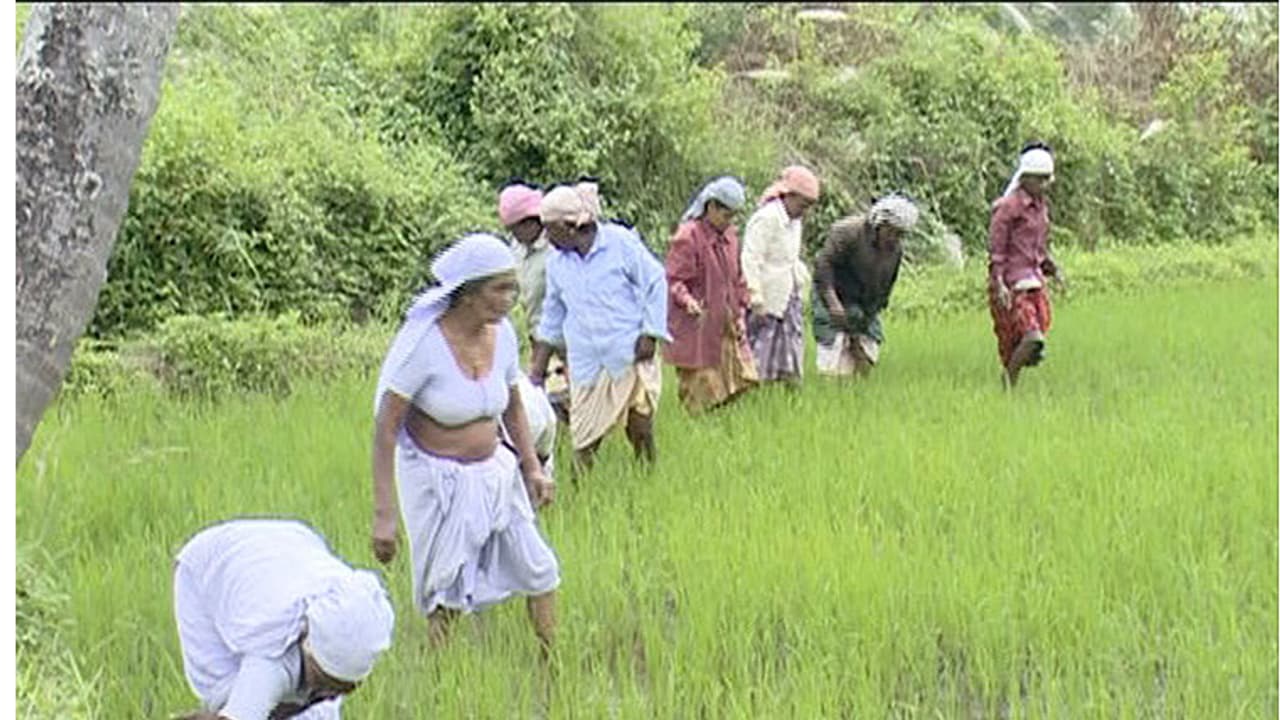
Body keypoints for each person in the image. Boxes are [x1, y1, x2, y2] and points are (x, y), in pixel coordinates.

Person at [370, 233, 559, 652]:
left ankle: (553, 662)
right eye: (500, 288)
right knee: (447, 587)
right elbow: (386, 427)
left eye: (513, 286)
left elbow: (511, 405)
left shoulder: (503, 334)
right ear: (469, 295)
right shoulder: (424, 344)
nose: (511, 297)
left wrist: (531, 467)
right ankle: (440, 675)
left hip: (496, 473)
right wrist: (385, 514)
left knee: (539, 569)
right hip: (438, 480)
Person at [172, 518, 395, 720]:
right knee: (230, 696)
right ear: (307, 645)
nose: (327, 695)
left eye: (343, 689)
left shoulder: (356, 610)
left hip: (292, 546)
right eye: (322, 682)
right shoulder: (270, 656)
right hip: (207, 570)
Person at [529, 181, 670, 472]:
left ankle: (649, 477)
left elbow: (655, 281)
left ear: (569, 227)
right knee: (584, 440)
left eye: (550, 228)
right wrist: (536, 373)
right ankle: (583, 497)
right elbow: (552, 316)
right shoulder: (557, 263)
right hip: (588, 362)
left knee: (640, 426)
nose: (545, 237)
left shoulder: (619, 243)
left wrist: (651, 333)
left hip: (629, 352)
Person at [663, 176, 758, 414]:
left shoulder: (730, 237)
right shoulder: (688, 236)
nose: (730, 222)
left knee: (736, 380)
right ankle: (699, 431)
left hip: (725, 321)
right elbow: (674, 280)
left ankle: (724, 429)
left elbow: (736, 276)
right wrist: (687, 300)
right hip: (697, 324)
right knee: (701, 389)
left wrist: (744, 299)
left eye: (734, 217)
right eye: (726, 215)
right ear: (711, 207)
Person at [813, 193, 920, 377]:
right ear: (879, 224)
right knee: (832, 357)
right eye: (891, 231)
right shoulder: (847, 233)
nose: (894, 238)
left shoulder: (894, 252)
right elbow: (824, 266)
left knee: (866, 356)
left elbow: (884, 289)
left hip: (864, 303)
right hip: (834, 292)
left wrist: (862, 327)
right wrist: (832, 302)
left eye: (900, 234)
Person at [987, 145, 1064, 388]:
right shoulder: (1008, 208)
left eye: (1046, 180)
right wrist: (998, 282)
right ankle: (1009, 379)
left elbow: (1038, 247)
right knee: (1032, 337)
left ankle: (1012, 377)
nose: (1043, 185)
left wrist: (1053, 269)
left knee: (1035, 338)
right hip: (1014, 282)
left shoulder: (1041, 207)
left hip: (1034, 279)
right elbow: (997, 250)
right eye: (1039, 179)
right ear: (1025, 177)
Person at [498, 182, 571, 424]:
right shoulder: (517, 250)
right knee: (548, 401)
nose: (513, 235)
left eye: (515, 228)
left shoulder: (556, 247)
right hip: (538, 337)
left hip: (567, 338)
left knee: (567, 399)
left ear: (531, 222)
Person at [740, 165, 820, 385]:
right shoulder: (766, 219)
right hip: (766, 295)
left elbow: (790, 257)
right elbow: (751, 258)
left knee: (790, 347)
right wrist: (754, 293)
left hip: (788, 293)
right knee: (761, 350)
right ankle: (756, 395)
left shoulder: (795, 221)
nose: (805, 211)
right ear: (789, 195)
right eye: (803, 205)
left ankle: (787, 395)